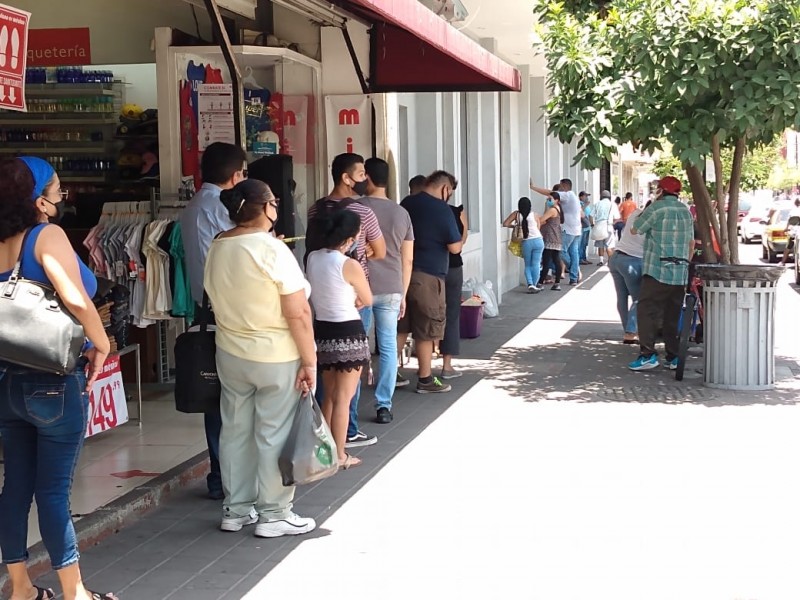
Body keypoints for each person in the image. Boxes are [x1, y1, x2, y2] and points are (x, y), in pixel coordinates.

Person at [0, 157, 116, 600]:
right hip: (51, 380)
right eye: (56, 188)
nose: (60, 196)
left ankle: (20, 587)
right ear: (39, 199)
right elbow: (73, 294)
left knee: (15, 487)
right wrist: (100, 341)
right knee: (52, 491)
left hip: (6, 380)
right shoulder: (44, 236)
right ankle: (75, 593)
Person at [204, 178, 317, 538]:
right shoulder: (271, 249)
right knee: (273, 432)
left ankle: (236, 510)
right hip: (275, 354)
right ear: (267, 207)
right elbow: (298, 311)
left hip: (231, 352)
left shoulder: (219, 245)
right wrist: (310, 360)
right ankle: (275, 513)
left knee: (235, 431)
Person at [180, 141, 248, 501]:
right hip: (227, 308)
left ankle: (221, 475)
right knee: (231, 394)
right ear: (236, 175)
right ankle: (227, 476)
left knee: (215, 394)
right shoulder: (221, 206)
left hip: (202, 306)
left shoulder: (192, 206)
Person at [307, 153, 385, 450]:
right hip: (348, 318)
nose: (366, 178)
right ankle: (344, 443)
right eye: (361, 173)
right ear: (346, 177)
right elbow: (379, 252)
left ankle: (324, 447)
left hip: (322, 319)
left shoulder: (316, 212)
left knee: (328, 393)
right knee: (345, 397)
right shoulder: (362, 213)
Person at [306, 209, 372, 469]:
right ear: (350, 237)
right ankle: (341, 455)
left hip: (322, 331)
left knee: (329, 396)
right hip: (348, 333)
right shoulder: (349, 264)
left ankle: (326, 452)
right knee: (344, 398)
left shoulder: (313, 257)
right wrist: (354, 299)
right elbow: (367, 299)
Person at [399, 171, 464, 393]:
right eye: (450, 193)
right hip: (428, 275)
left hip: (401, 273)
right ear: (444, 188)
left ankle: (392, 375)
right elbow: (455, 247)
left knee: (400, 326)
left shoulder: (407, 203)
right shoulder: (442, 210)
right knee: (426, 329)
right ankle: (425, 379)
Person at [360, 158, 415, 423]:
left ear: (367, 177)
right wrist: (403, 293)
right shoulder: (401, 213)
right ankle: (384, 405)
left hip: (360, 288)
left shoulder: (356, 208)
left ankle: (350, 406)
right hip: (392, 287)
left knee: (357, 346)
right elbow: (408, 259)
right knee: (388, 346)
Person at [628, 176, 695, 371]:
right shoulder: (686, 211)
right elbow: (691, 243)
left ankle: (647, 354)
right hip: (680, 272)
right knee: (672, 315)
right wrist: (685, 263)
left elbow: (635, 229)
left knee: (647, 310)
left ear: (661, 190)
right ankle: (673, 357)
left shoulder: (656, 208)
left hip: (657, 269)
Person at [608, 204, 647, 344]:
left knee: (622, 297)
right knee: (639, 298)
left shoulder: (635, 213)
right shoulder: (651, 223)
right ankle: (631, 331)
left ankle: (628, 330)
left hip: (616, 258)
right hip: (633, 260)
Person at [531, 178, 582, 285]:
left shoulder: (567, 195)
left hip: (569, 229)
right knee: (573, 253)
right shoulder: (573, 196)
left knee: (562, 251)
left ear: (563, 186)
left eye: (560, 186)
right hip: (576, 229)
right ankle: (573, 277)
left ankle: (575, 270)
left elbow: (550, 193)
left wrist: (533, 187)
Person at [441, 198, 469, 378]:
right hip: (452, 267)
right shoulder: (455, 211)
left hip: (425, 268)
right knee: (451, 314)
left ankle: (424, 368)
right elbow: (460, 242)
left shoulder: (414, 208)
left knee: (428, 315)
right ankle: (446, 365)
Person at [503, 197, 544, 293]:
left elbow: (505, 223)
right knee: (536, 264)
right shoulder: (535, 215)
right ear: (530, 206)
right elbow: (538, 228)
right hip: (538, 241)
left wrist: (515, 226)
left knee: (528, 265)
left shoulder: (516, 214)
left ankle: (530, 284)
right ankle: (534, 284)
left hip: (526, 242)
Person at [538, 191, 565, 291]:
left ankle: (540, 282)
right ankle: (557, 283)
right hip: (556, 238)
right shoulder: (557, 209)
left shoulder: (553, 210)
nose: (548, 201)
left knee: (546, 261)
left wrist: (536, 218)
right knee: (556, 260)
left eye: (550, 199)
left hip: (550, 238)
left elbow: (542, 219)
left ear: (556, 200)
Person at [593, 190, 621, 266]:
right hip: (608, 226)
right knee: (609, 246)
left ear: (601, 197)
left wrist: (593, 224)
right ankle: (610, 261)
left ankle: (601, 260)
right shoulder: (613, 205)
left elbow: (591, 216)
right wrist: (612, 223)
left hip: (599, 226)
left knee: (600, 245)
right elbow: (617, 217)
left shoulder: (597, 204)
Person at [780, 198, 800, 266]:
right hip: (795, 231)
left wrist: (786, 228)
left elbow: (790, 220)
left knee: (788, 246)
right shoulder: (795, 210)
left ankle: (783, 262)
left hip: (795, 231)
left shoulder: (794, 211)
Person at [579, 191, 593, 265]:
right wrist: (586, 205)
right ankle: (581, 259)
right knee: (581, 244)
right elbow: (580, 211)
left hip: (587, 226)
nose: (586, 197)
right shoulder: (580, 204)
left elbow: (589, 215)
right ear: (581, 197)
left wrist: (592, 223)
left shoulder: (586, 205)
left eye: (587, 196)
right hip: (583, 227)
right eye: (585, 196)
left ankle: (584, 258)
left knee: (585, 244)